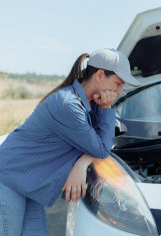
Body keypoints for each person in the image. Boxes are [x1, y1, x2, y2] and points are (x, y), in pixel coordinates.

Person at [0, 48, 140, 236]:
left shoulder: (90, 103)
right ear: (100, 75)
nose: (119, 90)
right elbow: (101, 148)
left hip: (27, 182)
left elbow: (99, 142)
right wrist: (107, 107)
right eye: (118, 83)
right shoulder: (68, 105)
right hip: (8, 178)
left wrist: (82, 164)